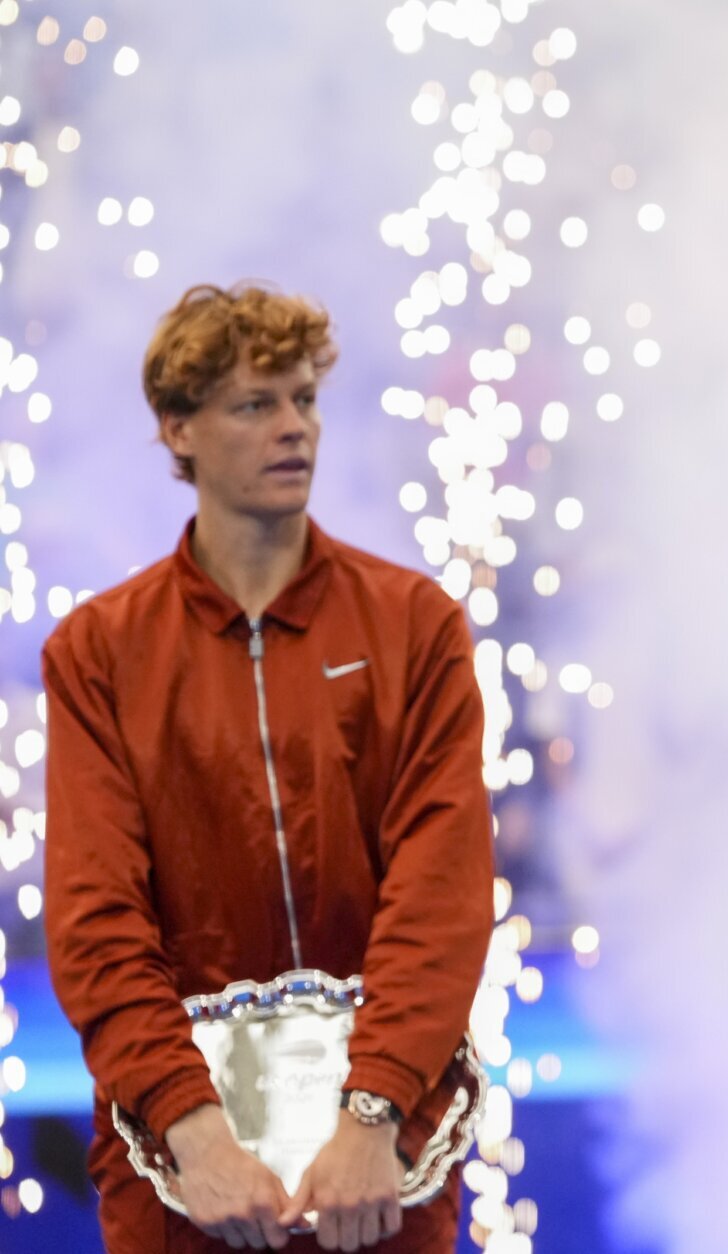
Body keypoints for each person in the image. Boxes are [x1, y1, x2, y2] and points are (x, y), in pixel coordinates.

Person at [42, 283, 494, 1252]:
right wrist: (190, 1124)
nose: (294, 428)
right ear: (179, 430)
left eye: (304, 399)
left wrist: (374, 1109)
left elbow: (441, 892)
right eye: (255, 404)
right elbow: (96, 917)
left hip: (385, 1153)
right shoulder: (98, 652)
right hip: (177, 1163)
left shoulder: (415, 626)